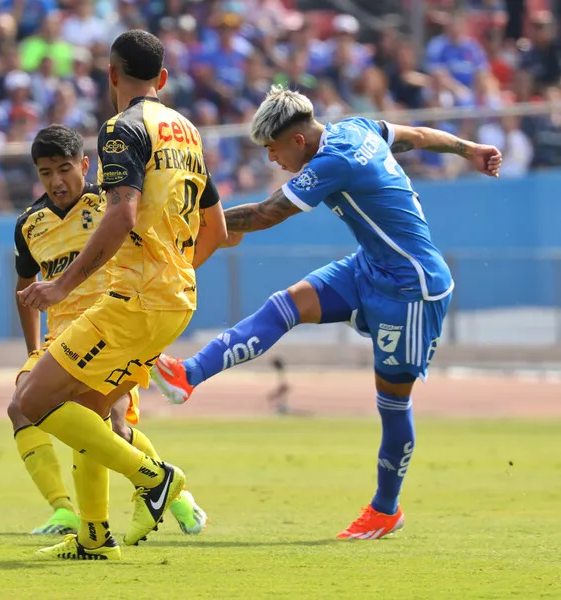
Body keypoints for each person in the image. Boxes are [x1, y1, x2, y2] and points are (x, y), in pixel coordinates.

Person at [150, 85, 503, 540]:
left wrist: (201, 223)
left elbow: (266, 214)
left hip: (411, 288)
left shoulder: (333, 161)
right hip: (369, 266)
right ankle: (189, 375)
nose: (272, 159)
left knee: (392, 402)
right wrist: (469, 149)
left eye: (273, 150)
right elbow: (415, 136)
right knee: (287, 303)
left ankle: (386, 510)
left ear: (298, 140)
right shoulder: (357, 127)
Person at [12, 30, 227, 561]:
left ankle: (155, 478)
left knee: (32, 401)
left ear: (111, 74)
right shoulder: (188, 132)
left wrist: (62, 284)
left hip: (135, 298)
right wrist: (173, 273)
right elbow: (218, 229)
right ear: (163, 78)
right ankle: (94, 537)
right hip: (177, 298)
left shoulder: (121, 128)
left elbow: (122, 214)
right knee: (89, 408)